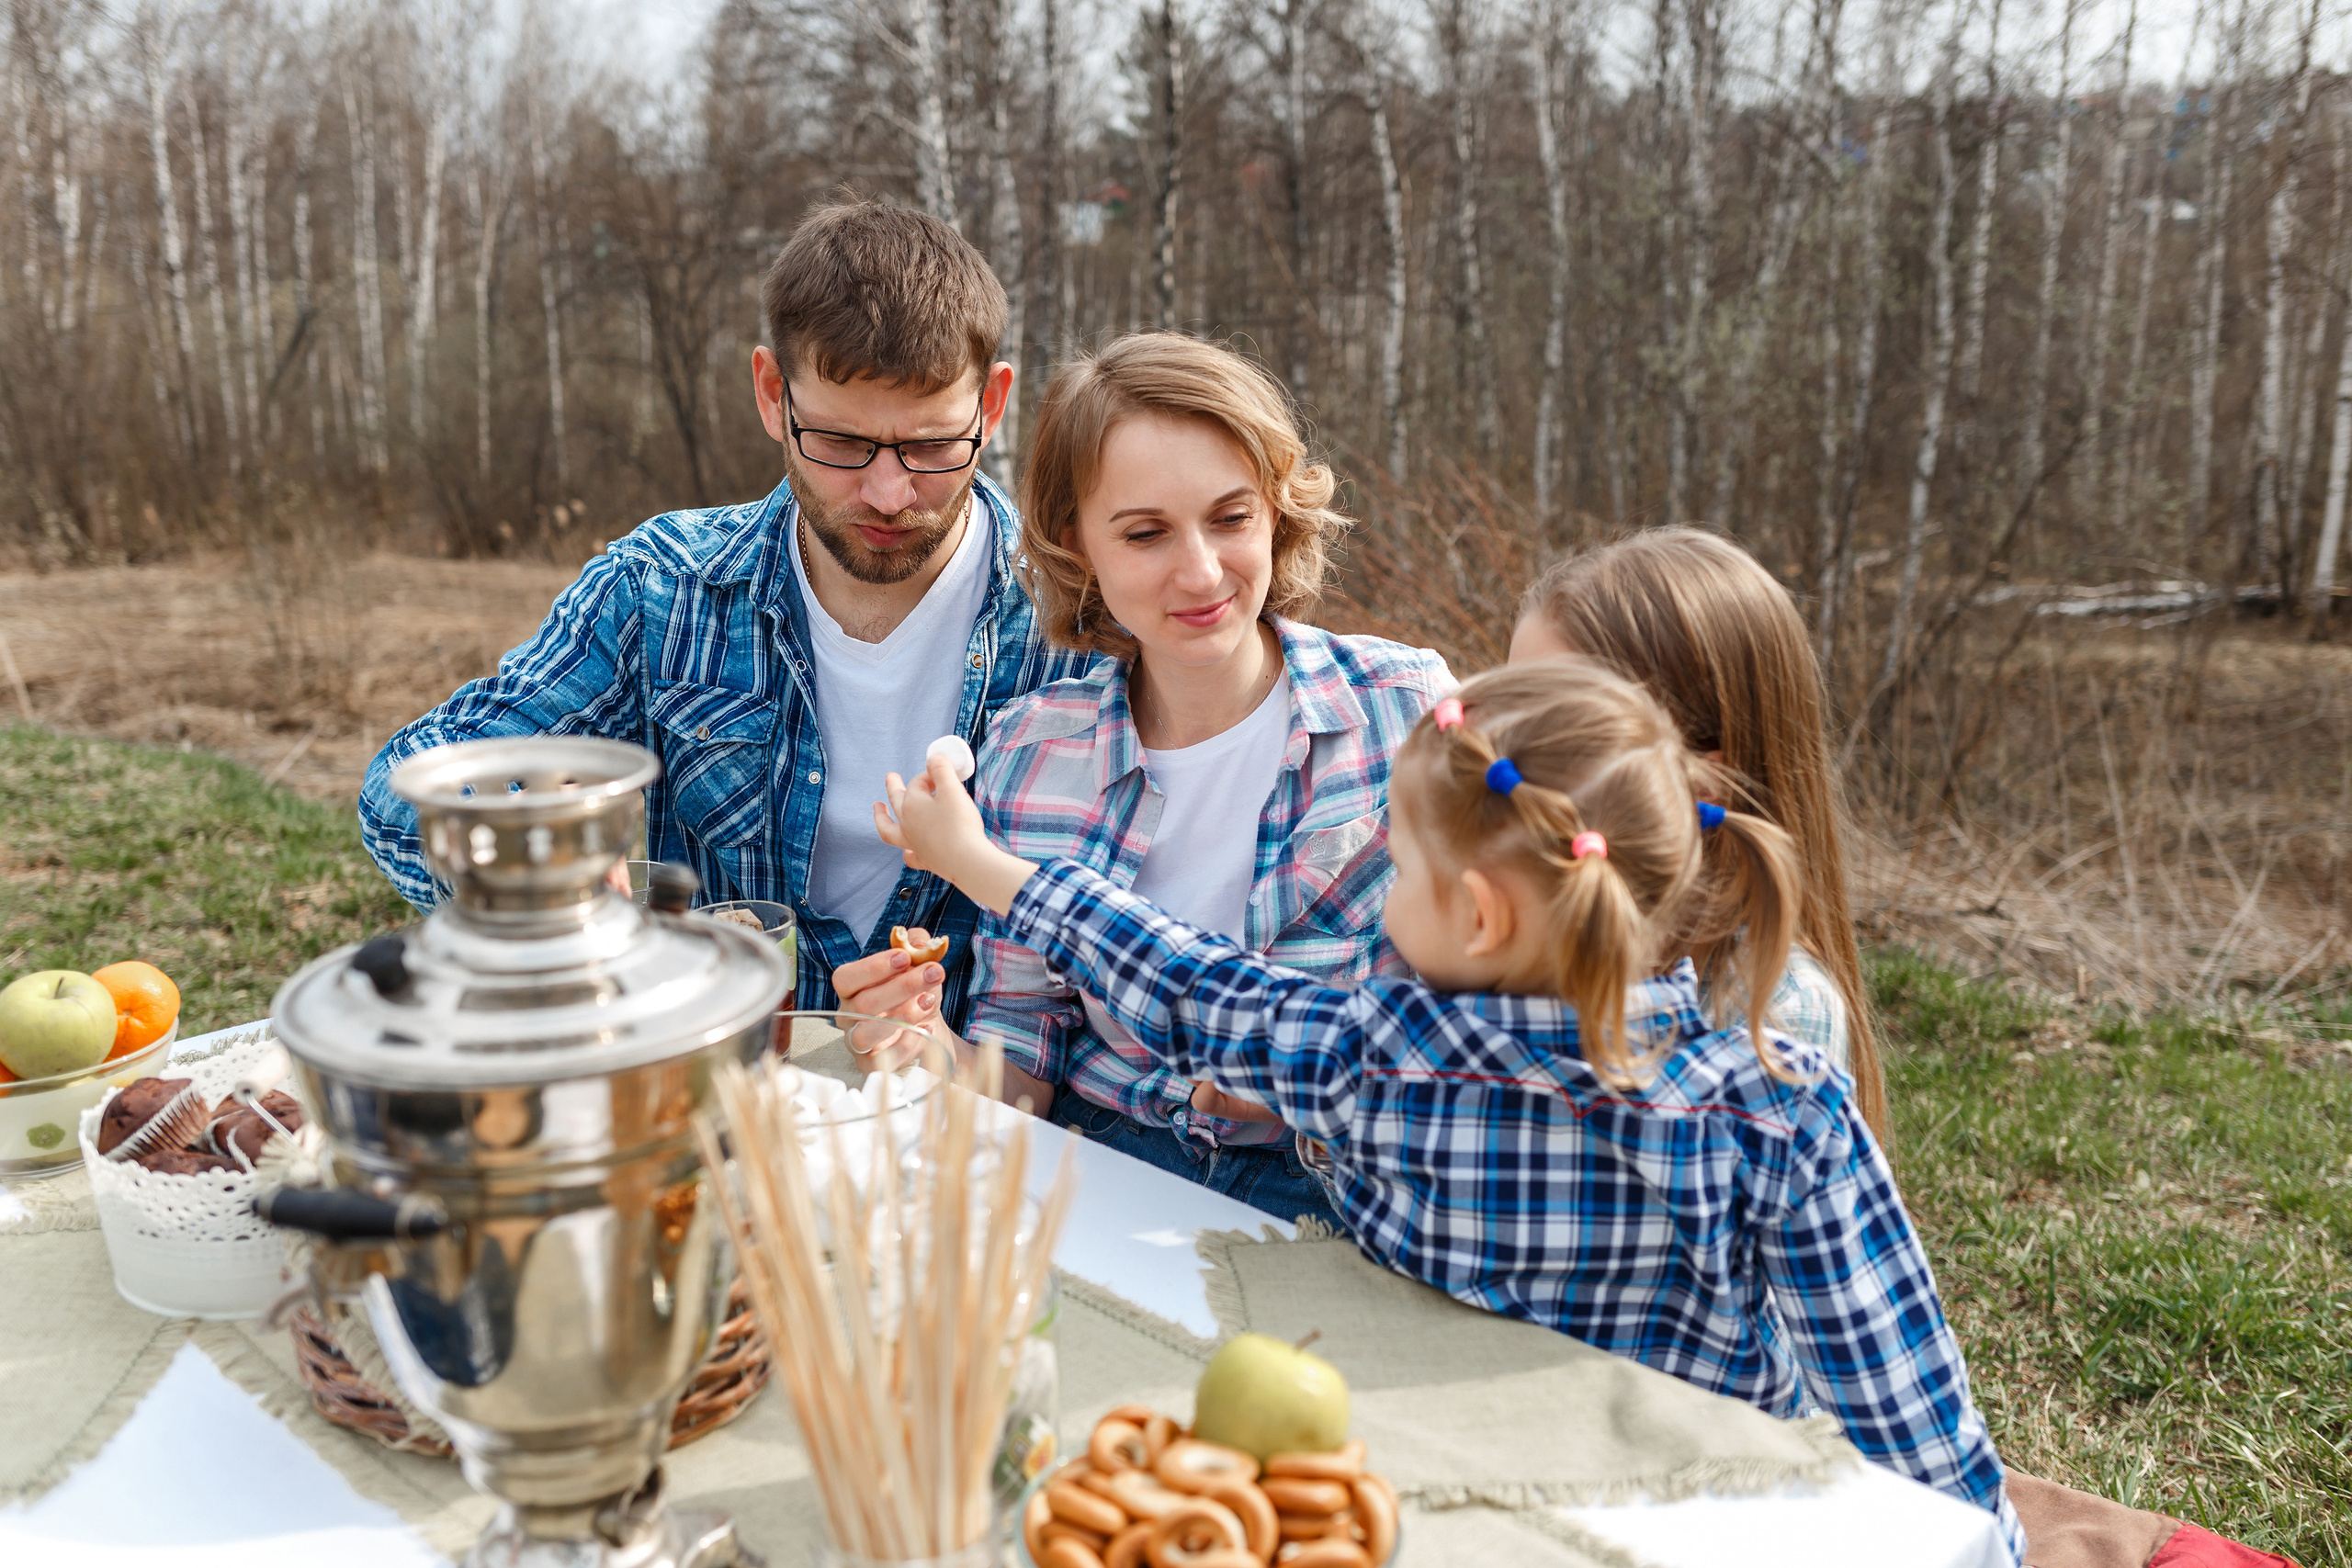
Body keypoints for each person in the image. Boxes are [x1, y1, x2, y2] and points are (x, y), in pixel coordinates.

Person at [870, 660, 2028, 1558]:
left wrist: (980, 865)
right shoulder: (1782, 1109)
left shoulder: (1374, 1060)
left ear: (1476, 917)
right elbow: (1906, 1416)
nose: (1384, 907)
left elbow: (1188, 983)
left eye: (1402, 877)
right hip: (1682, 1529)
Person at [358, 200, 1095, 1014]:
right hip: (723, 1090)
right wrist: (542, 875)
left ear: (991, 407)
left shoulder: (1080, 609)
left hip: (980, 1110)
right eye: (842, 444)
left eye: (929, 445)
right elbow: (407, 787)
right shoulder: (661, 588)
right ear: (773, 393)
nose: (889, 494)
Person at [832, 333, 1448, 1222]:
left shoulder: (1408, 711)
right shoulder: (1029, 750)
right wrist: (923, 1043)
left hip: (1344, 1191)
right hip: (1108, 1174)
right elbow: (1018, 1077)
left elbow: (1490, 1007)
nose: (1199, 572)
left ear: (1278, 511)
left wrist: (1320, 1085)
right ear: (1076, 544)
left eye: (1231, 519)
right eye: (1145, 533)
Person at [1510, 527, 1888, 1141]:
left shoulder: (1772, 1015)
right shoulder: (1527, 927)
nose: (1498, 764)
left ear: (1693, 782)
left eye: (1546, 734)